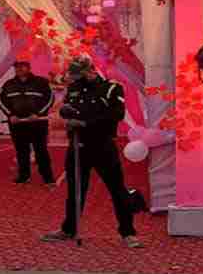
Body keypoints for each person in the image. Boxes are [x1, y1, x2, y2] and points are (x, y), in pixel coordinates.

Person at [42, 56, 141, 248]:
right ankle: (69, 229)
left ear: (90, 71)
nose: (76, 78)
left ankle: (128, 232)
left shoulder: (111, 88)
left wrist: (86, 123)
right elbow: (67, 109)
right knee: (75, 190)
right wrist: (66, 114)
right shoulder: (75, 87)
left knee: (117, 189)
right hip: (78, 145)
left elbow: (116, 114)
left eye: (80, 74)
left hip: (102, 145)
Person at [0, 59, 54, 184]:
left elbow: (50, 99)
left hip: (37, 123)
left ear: (29, 68)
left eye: (22, 67)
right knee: (22, 151)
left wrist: (38, 114)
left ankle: (47, 177)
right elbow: (1, 101)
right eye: (17, 67)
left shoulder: (41, 82)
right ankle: (24, 176)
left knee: (41, 150)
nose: (19, 69)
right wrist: (10, 115)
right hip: (17, 124)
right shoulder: (8, 84)